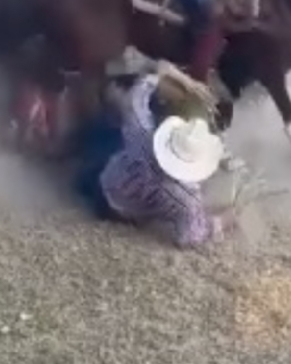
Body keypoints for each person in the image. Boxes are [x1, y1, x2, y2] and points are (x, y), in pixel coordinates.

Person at [84, 61, 232, 248]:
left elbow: (139, 91)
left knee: (100, 144)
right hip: (130, 216)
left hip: (104, 188)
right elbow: (189, 237)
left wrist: (183, 80)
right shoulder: (188, 198)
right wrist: (224, 220)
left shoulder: (143, 134)